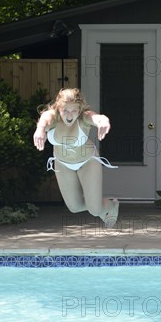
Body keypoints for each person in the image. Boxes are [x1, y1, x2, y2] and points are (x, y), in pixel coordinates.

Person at [33, 88, 119, 228]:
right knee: (75, 207)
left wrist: (103, 121)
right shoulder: (53, 117)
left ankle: (111, 205)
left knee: (95, 210)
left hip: (87, 162)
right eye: (65, 110)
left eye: (73, 111)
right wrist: (40, 129)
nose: (69, 115)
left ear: (79, 110)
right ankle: (96, 203)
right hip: (62, 164)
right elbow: (44, 120)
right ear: (58, 108)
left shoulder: (84, 117)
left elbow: (96, 117)